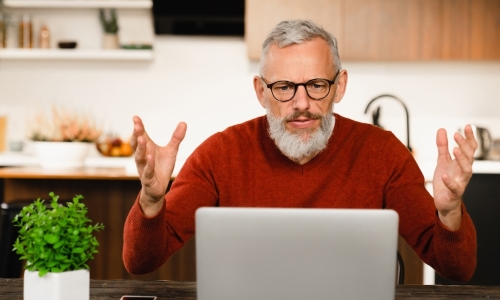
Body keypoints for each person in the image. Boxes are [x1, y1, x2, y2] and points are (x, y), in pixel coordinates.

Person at [123, 19, 477, 281]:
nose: (301, 103)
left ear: (340, 86)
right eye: (284, 87)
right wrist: (152, 202)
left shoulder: (383, 152)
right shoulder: (220, 153)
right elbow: (140, 263)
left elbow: (457, 271)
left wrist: (449, 214)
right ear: (261, 92)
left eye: (317, 85)